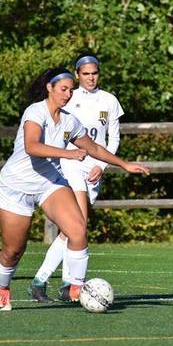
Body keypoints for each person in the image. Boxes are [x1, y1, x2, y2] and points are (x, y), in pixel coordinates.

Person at [0, 66, 149, 311]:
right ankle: (3, 288)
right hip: (17, 185)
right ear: (49, 88)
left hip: (49, 183)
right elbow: (32, 146)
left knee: (77, 229)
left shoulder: (69, 121)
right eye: (63, 89)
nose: (68, 94)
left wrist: (124, 164)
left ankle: (76, 287)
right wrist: (67, 153)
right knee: (13, 251)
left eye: (70, 90)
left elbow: (94, 148)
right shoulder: (35, 112)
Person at [30, 54, 124, 301]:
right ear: (78, 74)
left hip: (95, 167)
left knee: (72, 229)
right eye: (85, 74)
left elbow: (112, 139)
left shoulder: (109, 100)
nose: (90, 78)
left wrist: (102, 166)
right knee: (78, 223)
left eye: (94, 73)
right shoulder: (69, 97)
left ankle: (45, 282)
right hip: (71, 164)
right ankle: (68, 286)